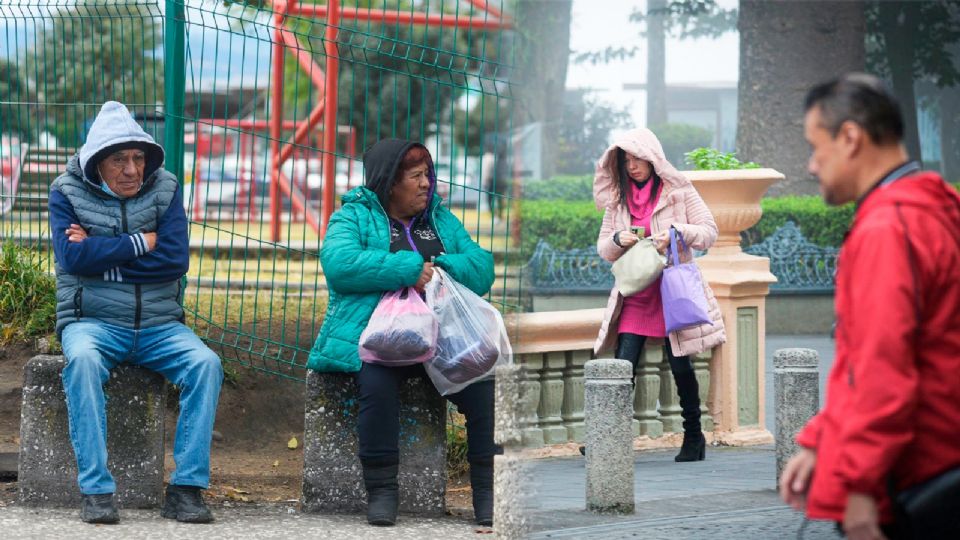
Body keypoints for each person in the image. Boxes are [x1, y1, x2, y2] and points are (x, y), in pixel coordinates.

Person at [780, 73, 960, 539]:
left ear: (850, 138)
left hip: (910, 479)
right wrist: (822, 441)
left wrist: (859, 489)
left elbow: (883, 370)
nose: (812, 164)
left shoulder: (888, 230)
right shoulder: (936, 208)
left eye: (815, 145)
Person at [307, 138, 499, 527]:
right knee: (376, 387)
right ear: (390, 183)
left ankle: (488, 492)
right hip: (380, 335)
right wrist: (408, 268)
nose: (427, 183)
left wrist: (441, 264)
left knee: (486, 390)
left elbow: (482, 267)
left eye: (428, 174)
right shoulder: (354, 216)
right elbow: (340, 265)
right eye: (416, 176)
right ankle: (382, 491)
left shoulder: (440, 220)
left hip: (443, 336)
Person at [49, 101, 223, 524]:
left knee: (206, 363)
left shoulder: (166, 188)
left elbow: (174, 260)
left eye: (137, 158)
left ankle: (186, 489)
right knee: (84, 362)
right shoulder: (66, 191)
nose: (131, 170)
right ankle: (97, 490)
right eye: (119, 160)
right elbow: (72, 259)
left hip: (161, 326)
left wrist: (100, 254)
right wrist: (140, 243)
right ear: (96, 163)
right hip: (91, 322)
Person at [591, 127, 726, 462]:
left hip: (671, 293)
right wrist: (619, 239)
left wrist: (676, 233)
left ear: (653, 158)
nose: (633, 166)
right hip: (635, 293)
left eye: (639, 158)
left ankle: (694, 437)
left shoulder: (678, 192)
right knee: (622, 368)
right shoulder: (618, 200)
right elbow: (604, 247)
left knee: (681, 369)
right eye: (627, 160)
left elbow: (709, 231)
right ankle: (609, 437)